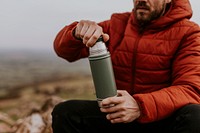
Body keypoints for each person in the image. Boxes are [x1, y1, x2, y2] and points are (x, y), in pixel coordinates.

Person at [51, 0, 200, 132]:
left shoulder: (189, 33)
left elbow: (191, 89)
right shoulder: (117, 25)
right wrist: (76, 33)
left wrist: (140, 106)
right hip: (117, 115)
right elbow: (65, 52)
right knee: (65, 113)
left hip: (160, 119)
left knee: (195, 115)